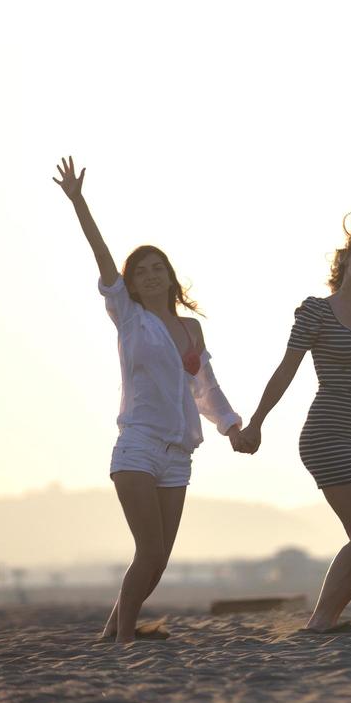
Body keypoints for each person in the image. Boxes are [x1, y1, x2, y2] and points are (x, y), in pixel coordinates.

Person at [52, 157, 243, 643]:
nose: (152, 275)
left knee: (158, 560)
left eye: (160, 268)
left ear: (171, 277)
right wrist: (79, 203)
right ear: (131, 284)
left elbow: (206, 388)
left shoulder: (191, 329)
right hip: (137, 446)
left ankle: (112, 633)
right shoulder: (130, 318)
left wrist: (232, 426)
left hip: (178, 455)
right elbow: (102, 259)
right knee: (149, 552)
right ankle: (124, 641)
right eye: (143, 272)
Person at [233, 210, 351, 632]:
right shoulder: (316, 312)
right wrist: (257, 422)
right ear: (347, 257)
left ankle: (327, 618)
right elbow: (286, 370)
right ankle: (320, 622)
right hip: (324, 434)